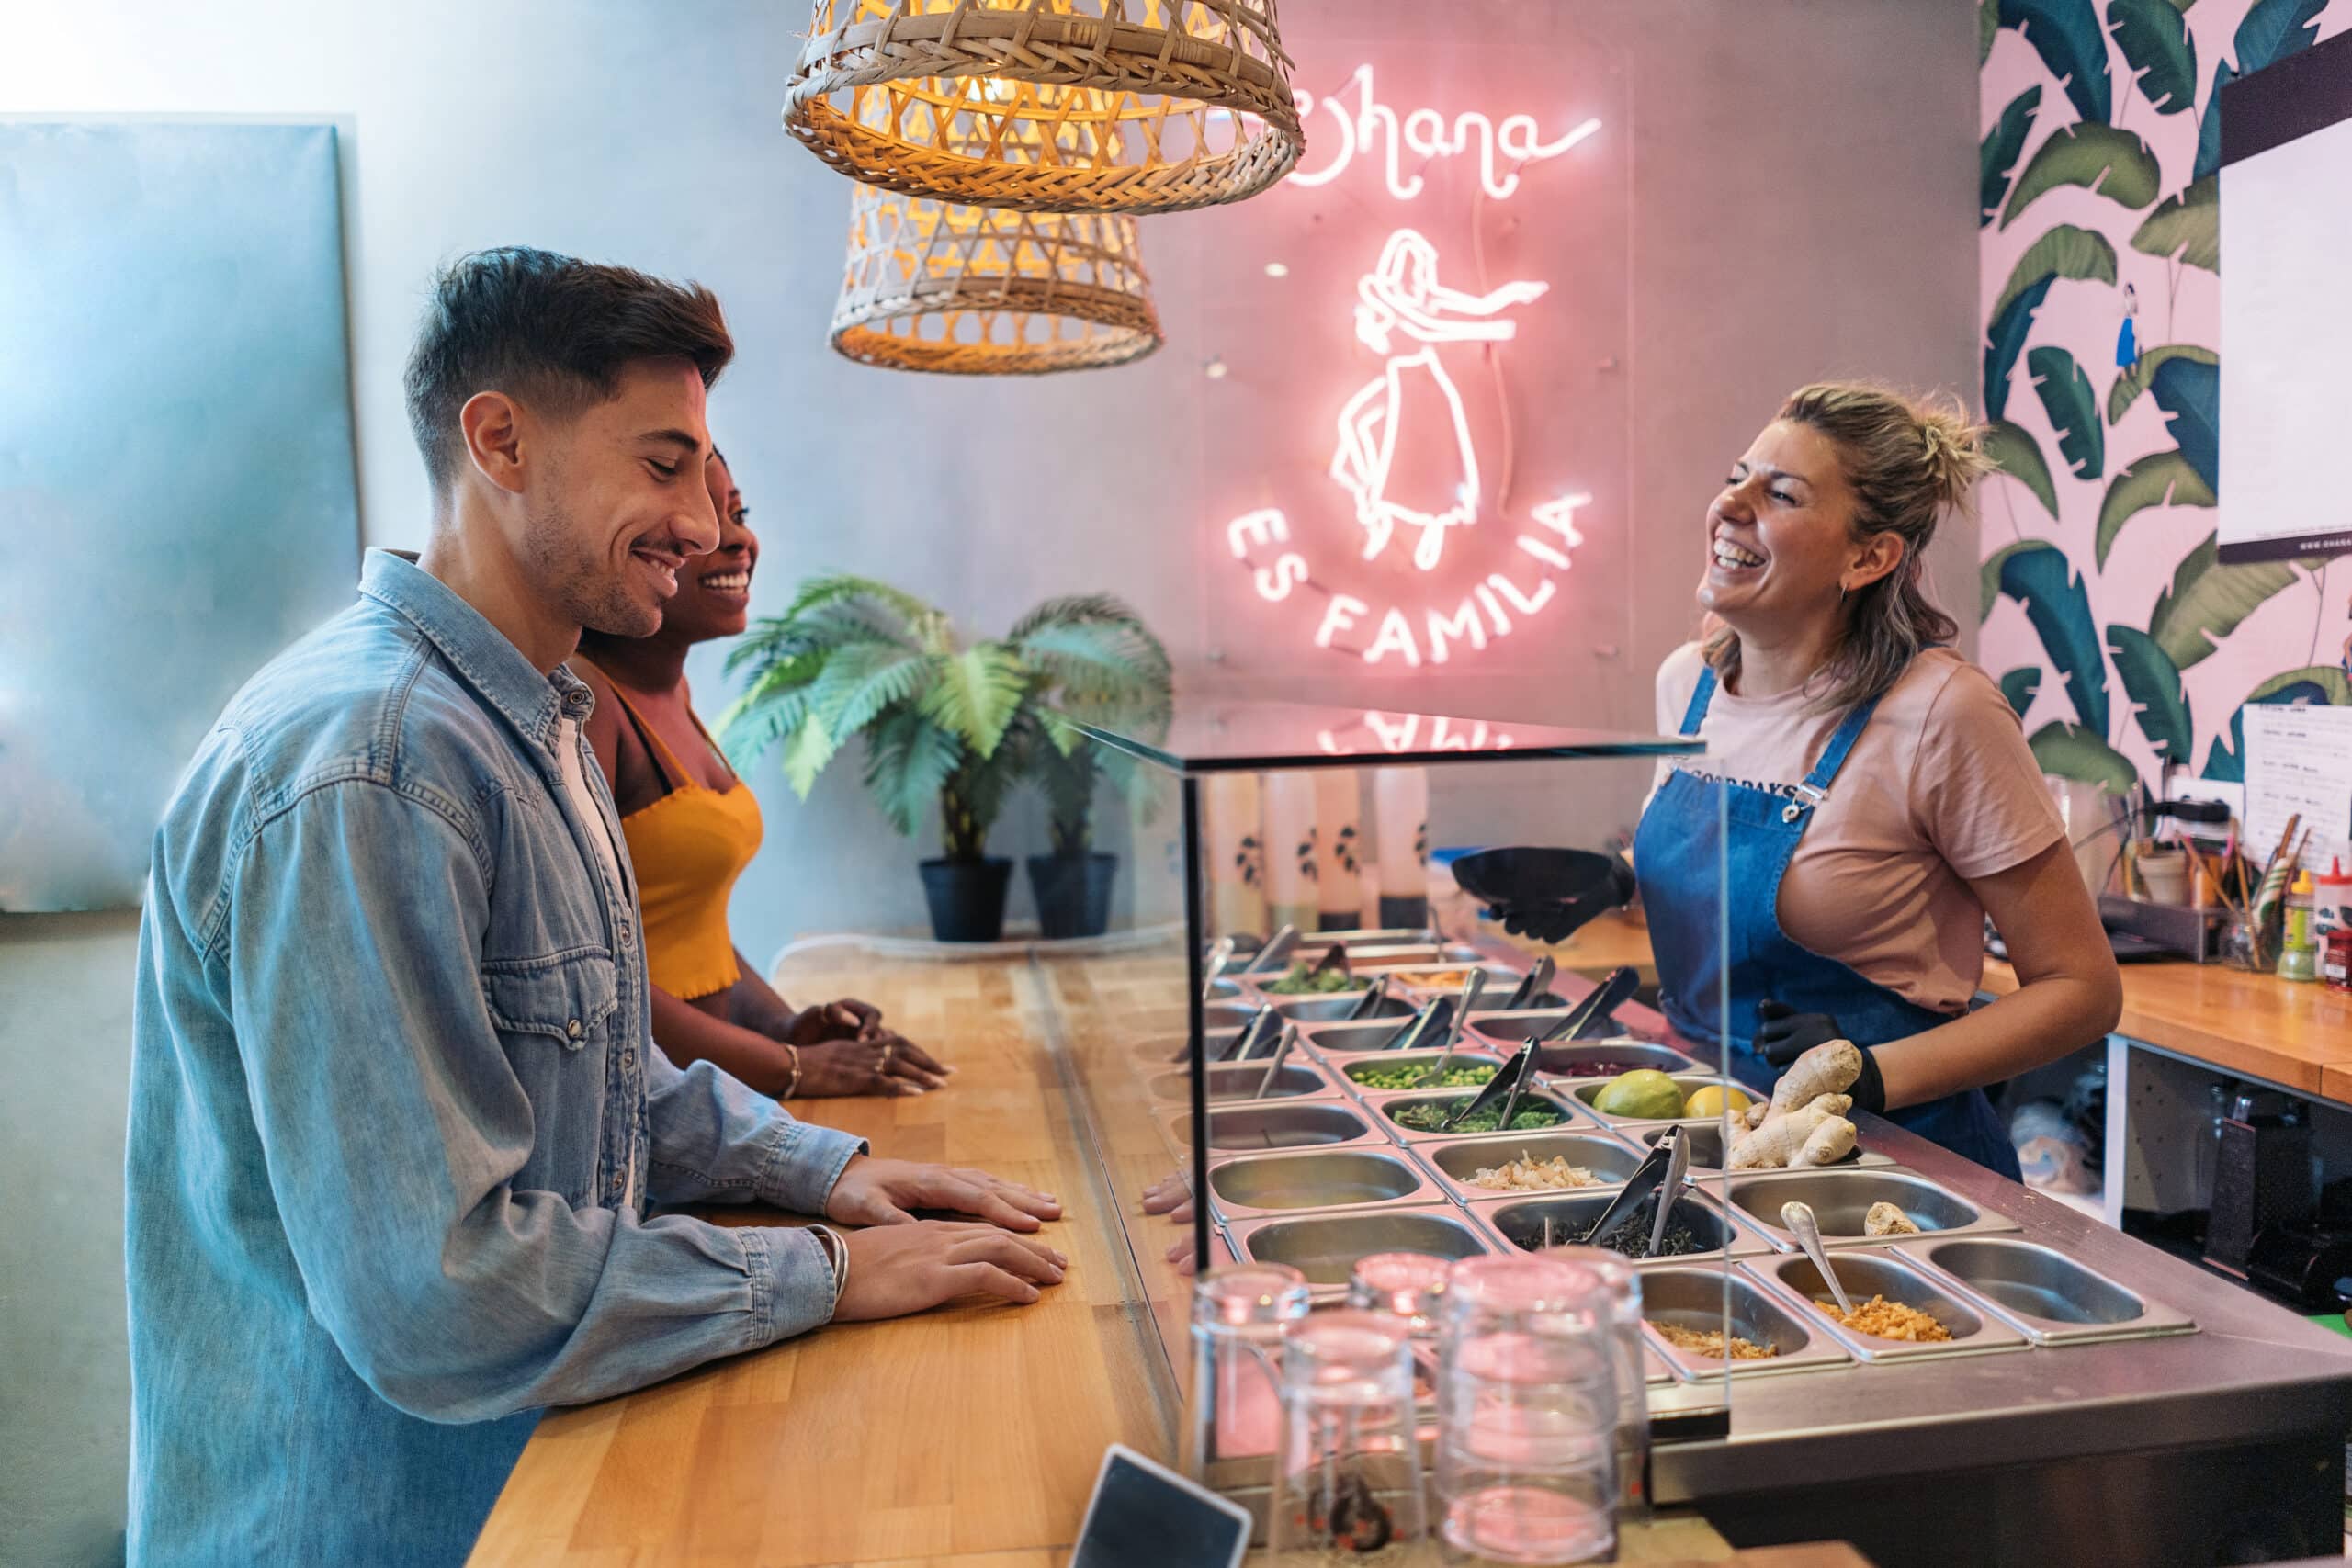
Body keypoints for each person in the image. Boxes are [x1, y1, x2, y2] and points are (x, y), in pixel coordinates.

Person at [127, 248, 1066, 1567]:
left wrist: (823, 1171)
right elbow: (437, 1292)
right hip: (391, 1523)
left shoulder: (534, 714)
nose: (705, 525)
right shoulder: (375, 764)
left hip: (537, 1467)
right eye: (663, 467)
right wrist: (822, 1272)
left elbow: (598, 1074)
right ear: (500, 441)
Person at [1629, 382, 2122, 1176]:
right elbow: (1732, 887)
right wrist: (1610, 883)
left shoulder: (1942, 713)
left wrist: (1873, 1070)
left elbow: (2082, 989)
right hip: (1719, 1132)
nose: (1730, 505)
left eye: (1781, 494)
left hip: (1889, 1160)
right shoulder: (1687, 684)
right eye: (1737, 477)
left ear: (1869, 557)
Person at [571, 451, 948, 1099]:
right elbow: (601, 981)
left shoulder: (674, 691)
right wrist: (791, 1067)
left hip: (716, 1092)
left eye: (737, 511)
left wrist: (786, 1027)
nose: (738, 538)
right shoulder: (588, 701)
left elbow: (692, 937)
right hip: (651, 1110)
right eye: (698, 514)